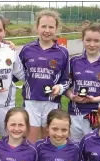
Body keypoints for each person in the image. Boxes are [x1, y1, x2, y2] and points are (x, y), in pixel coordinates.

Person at [18, 10, 70, 143]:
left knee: (49, 142)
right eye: (43, 26)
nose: (47, 30)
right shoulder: (27, 49)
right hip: (31, 102)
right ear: (37, 27)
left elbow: (67, 80)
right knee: (31, 143)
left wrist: (59, 87)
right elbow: (16, 73)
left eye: (51, 27)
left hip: (51, 103)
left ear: (56, 29)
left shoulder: (63, 52)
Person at [66, 23, 100, 142]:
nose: (92, 44)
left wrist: (94, 99)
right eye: (88, 40)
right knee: (74, 150)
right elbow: (66, 85)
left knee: (94, 150)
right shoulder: (73, 61)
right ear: (83, 40)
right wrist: (72, 96)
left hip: (98, 115)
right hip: (74, 114)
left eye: (96, 40)